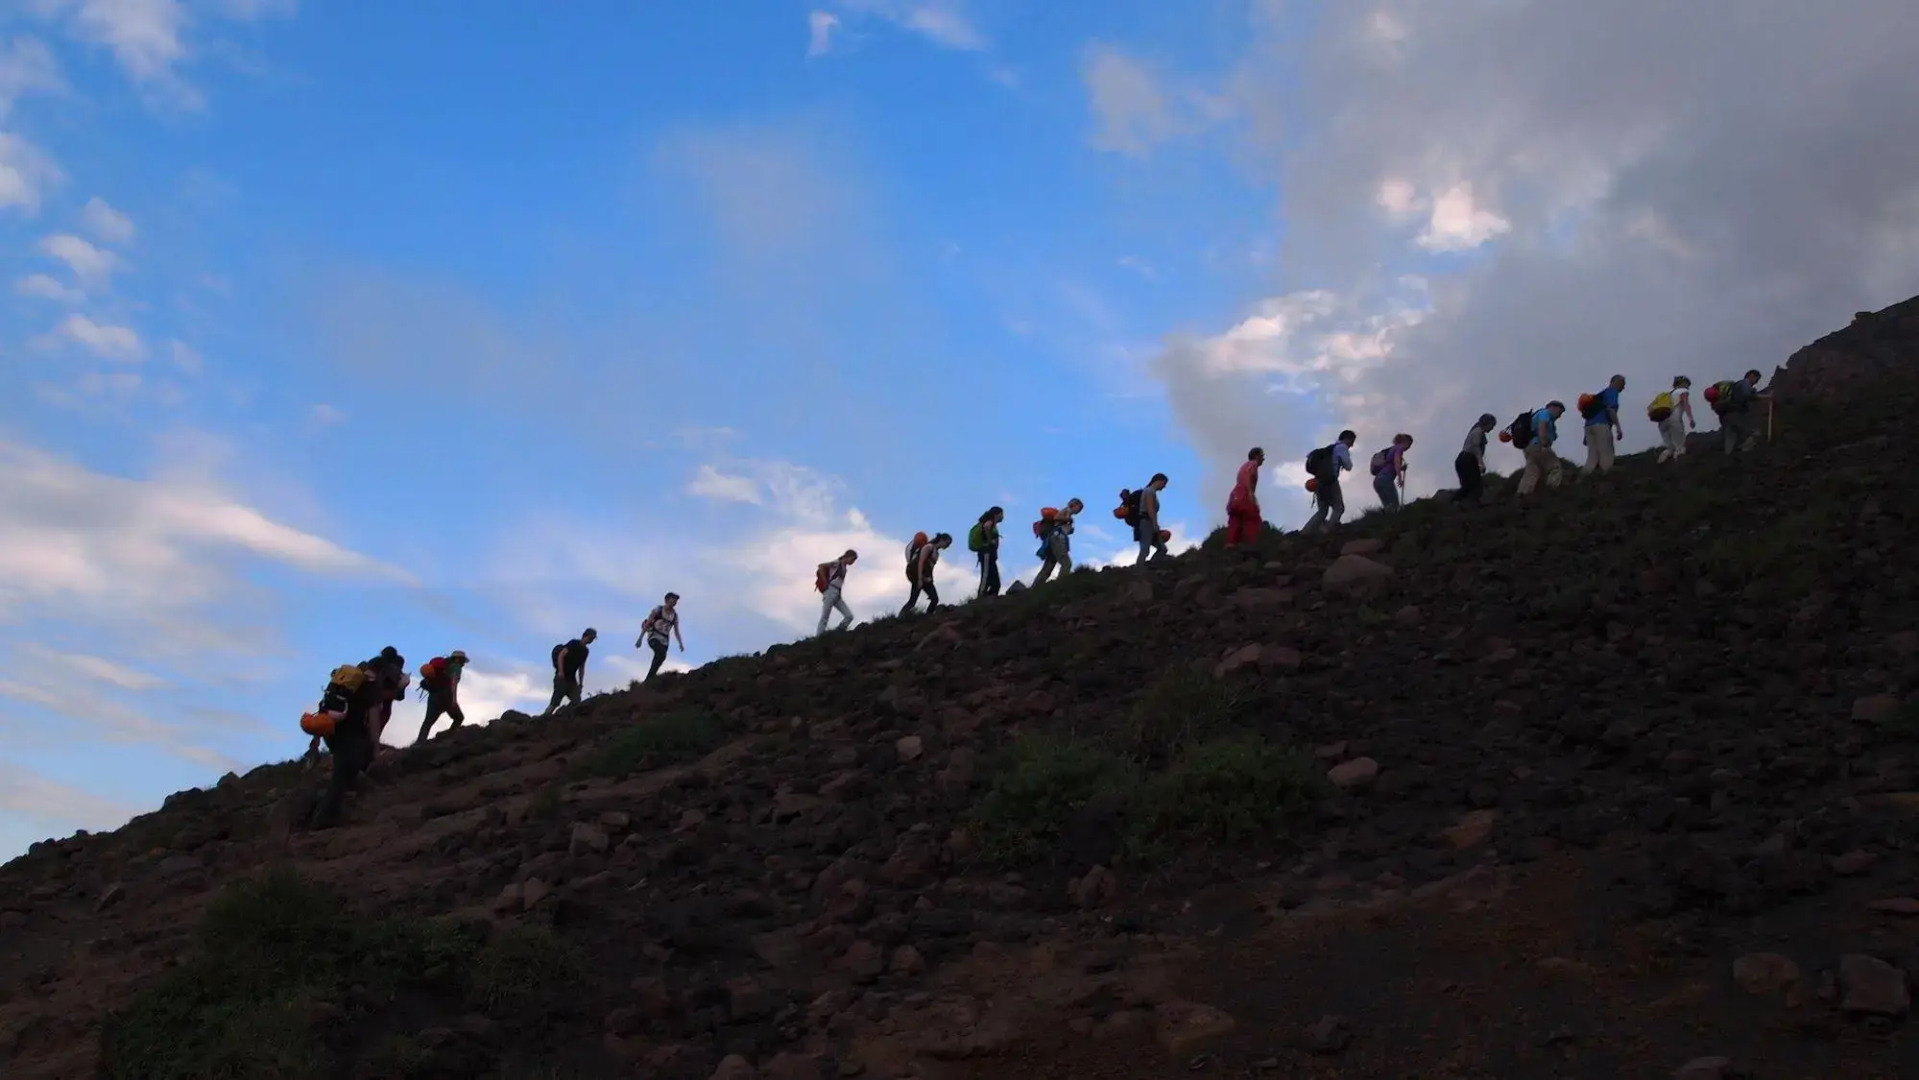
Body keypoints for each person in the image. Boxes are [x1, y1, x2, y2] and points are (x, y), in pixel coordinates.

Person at [310, 661, 384, 829]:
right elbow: (373, 719)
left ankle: (336, 809)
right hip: (352, 735)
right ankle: (323, 818)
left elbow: (324, 708)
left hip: (332, 734)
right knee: (341, 775)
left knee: (345, 771)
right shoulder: (371, 688)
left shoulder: (340, 683)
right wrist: (376, 747)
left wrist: (316, 739)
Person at [1302, 430, 1357, 533]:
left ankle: (1305, 533)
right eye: (1352, 442)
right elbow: (1348, 466)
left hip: (1319, 482)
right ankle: (1327, 531)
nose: (1352, 445)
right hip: (1331, 481)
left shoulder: (1329, 449)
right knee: (1339, 508)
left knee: (1322, 511)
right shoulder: (1342, 448)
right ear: (1347, 439)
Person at [413, 649, 470, 744]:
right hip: (446, 696)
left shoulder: (443, 667)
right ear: (458, 659)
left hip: (433, 696)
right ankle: (450, 736)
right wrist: (454, 699)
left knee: (427, 722)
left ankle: (419, 743)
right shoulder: (456, 667)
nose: (463, 663)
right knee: (459, 718)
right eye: (463, 660)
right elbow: (453, 683)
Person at [1708, 369, 1769, 453]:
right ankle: (1744, 454)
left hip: (1725, 416)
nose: (1756, 383)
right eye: (1756, 379)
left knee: (1730, 438)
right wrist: (1767, 396)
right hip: (1735, 414)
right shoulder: (1744, 383)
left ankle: (1729, 457)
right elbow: (1748, 394)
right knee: (1754, 433)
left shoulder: (1734, 388)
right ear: (1751, 376)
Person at [1514, 401, 1567, 496]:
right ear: (1553, 407)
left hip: (1529, 447)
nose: (1559, 416)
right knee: (1555, 467)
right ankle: (1551, 491)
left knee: (1532, 472)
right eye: (1560, 412)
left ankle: (1522, 495)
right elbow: (1542, 427)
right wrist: (1544, 444)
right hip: (1539, 445)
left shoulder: (1539, 414)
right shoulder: (1545, 413)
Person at [362, 646, 408, 753]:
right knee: (376, 729)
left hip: (366, 700)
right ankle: (373, 753)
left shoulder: (373, 663)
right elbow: (400, 696)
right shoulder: (395, 670)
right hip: (384, 704)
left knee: (364, 728)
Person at [1579, 374, 1627, 476]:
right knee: (1606, 453)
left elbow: (1590, 416)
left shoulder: (1600, 396)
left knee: (1592, 457)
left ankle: (1583, 478)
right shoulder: (1612, 392)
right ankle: (1607, 477)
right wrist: (1618, 428)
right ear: (1615, 382)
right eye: (1622, 384)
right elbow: (1610, 409)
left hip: (1588, 427)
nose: (1623, 387)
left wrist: (1586, 438)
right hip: (1602, 425)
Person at [542, 628, 596, 716]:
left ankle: (563, 717)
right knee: (554, 703)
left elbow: (581, 667)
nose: (591, 640)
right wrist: (560, 672)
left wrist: (581, 683)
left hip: (572, 680)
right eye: (591, 638)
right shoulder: (574, 643)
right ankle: (543, 719)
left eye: (593, 639)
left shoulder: (585, 651)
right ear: (585, 636)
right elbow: (561, 655)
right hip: (561, 677)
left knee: (577, 701)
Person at [1032, 498, 1083, 585]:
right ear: (1074, 505)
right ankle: (1061, 584)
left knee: (1049, 566)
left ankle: (1036, 587)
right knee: (1066, 563)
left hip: (1053, 539)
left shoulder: (1068, 514)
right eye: (1079, 508)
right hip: (1057, 539)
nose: (1079, 511)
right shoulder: (1066, 511)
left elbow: (1059, 524)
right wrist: (1068, 520)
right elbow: (1057, 517)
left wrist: (1069, 529)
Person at [900, 533, 952, 615]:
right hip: (918, 576)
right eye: (947, 543)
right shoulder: (929, 547)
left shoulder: (935, 552)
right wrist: (920, 579)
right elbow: (921, 562)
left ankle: (928, 617)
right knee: (913, 601)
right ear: (942, 540)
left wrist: (930, 579)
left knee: (934, 599)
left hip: (926, 577)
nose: (947, 546)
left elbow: (930, 567)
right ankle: (901, 617)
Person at [637, 593, 684, 681]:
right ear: (667, 600)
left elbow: (676, 631)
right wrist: (640, 639)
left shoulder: (675, 616)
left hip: (665, 640)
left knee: (661, 657)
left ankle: (650, 679)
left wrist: (680, 643)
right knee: (660, 653)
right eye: (672, 599)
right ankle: (650, 678)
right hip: (653, 636)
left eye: (676, 600)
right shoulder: (658, 610)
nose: (674, 602)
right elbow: (647, 624)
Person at [1225, 448, 1264, 549]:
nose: (1263, 458)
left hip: (1235, 495)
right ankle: (1252, 544)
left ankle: (1231, 544)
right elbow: (1248, 475)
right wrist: (1250, 493)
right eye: (1262, 455)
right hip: (1244, 493)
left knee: (1235, 519)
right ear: (1256, 456)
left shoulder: (1244, 466)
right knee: (1252, 518)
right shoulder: (1253, 464)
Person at [1455, 414, 1497, 504]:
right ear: (1487, 423)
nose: (1492, 428)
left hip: (1463, 459)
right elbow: (1476, 448)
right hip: (1468, 459)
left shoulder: (1475, 431)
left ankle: (1458, 503)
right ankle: (1469, 504)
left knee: (1467, 485)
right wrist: (1480, 464)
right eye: (1492, 425)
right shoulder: (1478, 432)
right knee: (1475, 486)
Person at [1652, 376, 1695, 463]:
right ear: (1683, 383)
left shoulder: (1668, 395)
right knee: (1680, 447)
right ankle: (1679, 466)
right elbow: (1686, 404)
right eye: (1687, 385)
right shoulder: (1682, 391)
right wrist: (1691, 419)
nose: (1688, 387)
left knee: (1669, 447)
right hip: (1674, 420)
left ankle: (1662, 464)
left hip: (1662, 421)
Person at [816, 550, 859, 634]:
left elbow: (840, 583)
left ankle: (838, 632)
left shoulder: (844, 568)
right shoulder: (837, 563)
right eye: (852, 559)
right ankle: (819, 638)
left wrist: (839, 593)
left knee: (849, 616)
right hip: (830, 591)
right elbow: (820, 566)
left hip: (837, 593)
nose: (853, 562)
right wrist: (825, 581)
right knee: (825, 617)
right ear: (848, 557)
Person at [1132, 474, 1170, 564]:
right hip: (1146, 523)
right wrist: (1155, 524)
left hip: (1148, 522)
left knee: (1162, 548)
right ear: (1158, 481)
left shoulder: (1150, 492)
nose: (1164, 486)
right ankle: (1139, 570)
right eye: (1164, 483)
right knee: (1145, 549)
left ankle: (1151, 566)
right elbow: (1150, 509)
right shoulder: (1149, 491)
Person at [1371, 433, 1413, 510]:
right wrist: (1400, 478)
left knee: (1388, 506)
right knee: (1394, 506)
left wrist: (1401, 468)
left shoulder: (1391, 449)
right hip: (1385, 479)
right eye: (1409, 444)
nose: (1409, 447)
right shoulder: (1399, 449)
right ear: (1405, 442)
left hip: (1378, 480)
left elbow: (1390, 465)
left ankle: (1386, 520)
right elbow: (1396, 463)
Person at [968, 508, 1003, 599]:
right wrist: (989, 540)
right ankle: (980, 598)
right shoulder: (989, 522)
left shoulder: (992, 524)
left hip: (989, 554)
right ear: (996, 514)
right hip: (986, 552)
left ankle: (989, 598)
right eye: (1001, 514)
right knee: (986, 576)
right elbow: (986, 527)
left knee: (995, 581)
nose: (1003, 516)